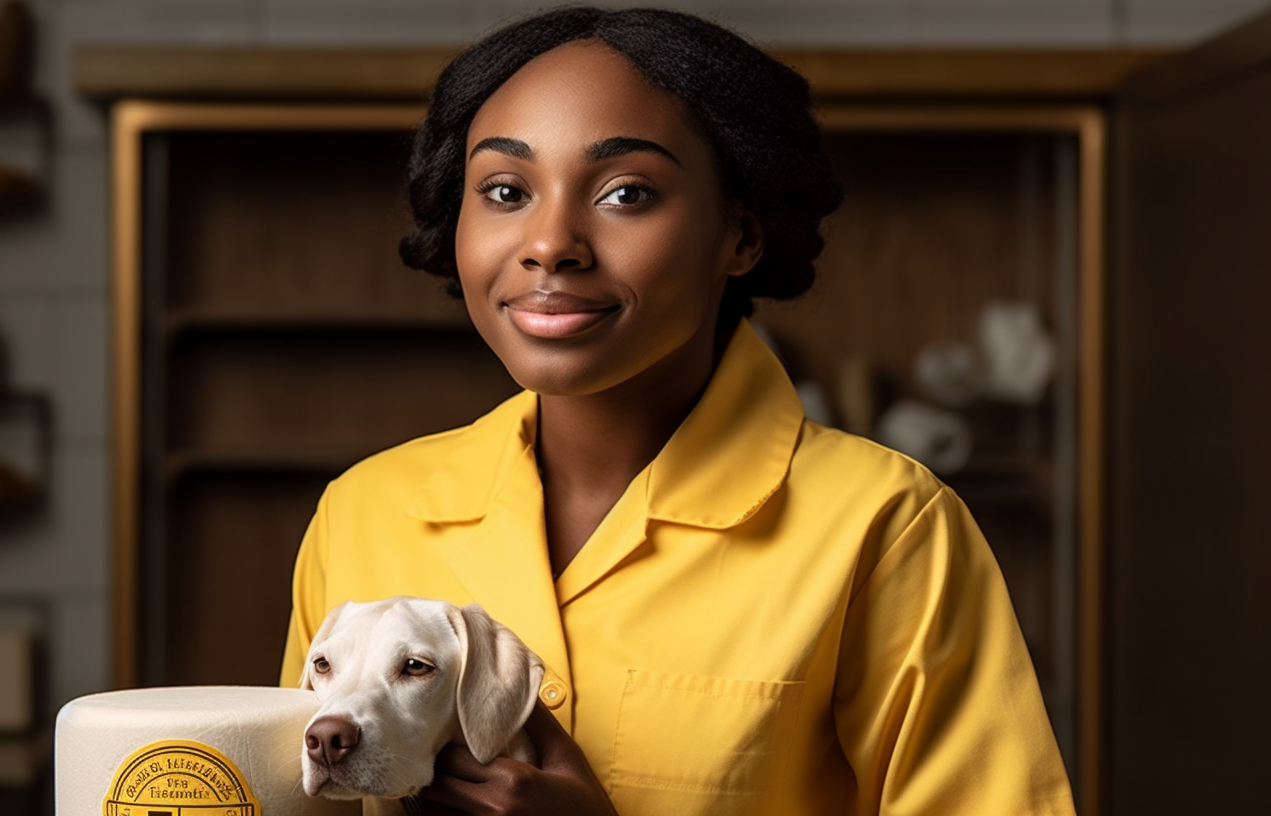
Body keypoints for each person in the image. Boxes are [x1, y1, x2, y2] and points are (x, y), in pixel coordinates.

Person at [279, 6, 1076, 815]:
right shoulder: (362, 513)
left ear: (742, 235)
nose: (551, 242)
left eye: (627, 192)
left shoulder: (886, 528)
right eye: (507, 190)